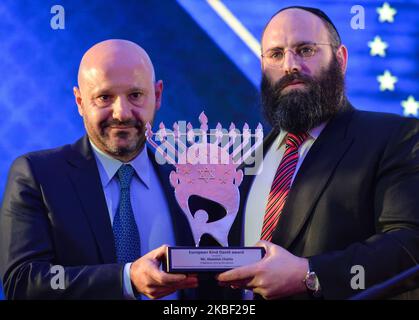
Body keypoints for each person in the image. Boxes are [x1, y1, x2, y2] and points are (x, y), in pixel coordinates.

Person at [218, 6, 419, 299]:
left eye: (305, 50)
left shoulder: (395, 138)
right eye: (276, 54)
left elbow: (409, 245)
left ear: (341, 59)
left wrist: (309, 273)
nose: (290, 65)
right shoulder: (245, 162)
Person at [0, 39, 198, 299]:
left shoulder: (190, 179)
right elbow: (22, 282)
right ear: (80, 101)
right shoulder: (37, 176)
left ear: (157, 95)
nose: (122, 113)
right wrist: (126, 279)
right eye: (105, 97)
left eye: (135, 95)